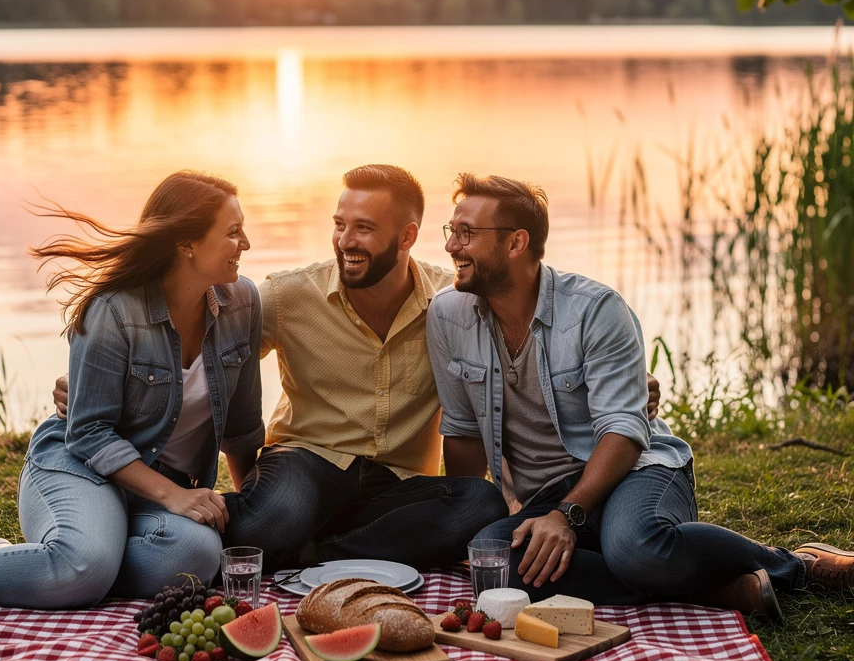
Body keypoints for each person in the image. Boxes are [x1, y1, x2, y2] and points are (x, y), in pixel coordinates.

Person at [50, 164, 661, 572]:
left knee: (476, 505)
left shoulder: (456, 307)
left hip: (396, 483)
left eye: (364, 228)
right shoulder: (287, 296)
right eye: (340, 225)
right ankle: (257, 536)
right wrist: (92, 382)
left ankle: (316, 554)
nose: (346, 240)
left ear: (410, 236)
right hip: (307, 463)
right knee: (281, 510)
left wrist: (629, 389)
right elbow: (208, 341)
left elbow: (536, 316)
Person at [0, 171, 264, 617]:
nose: (246, 243)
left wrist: (254, 513)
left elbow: (243, 426)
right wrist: (173, 496)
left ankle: (5, 564)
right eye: (233, 233)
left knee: (193, 559)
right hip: (78, 466)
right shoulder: (114, 310)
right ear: (186, 243)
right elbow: (89, 433)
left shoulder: (244, 303)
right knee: (85, 568)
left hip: (153, 490)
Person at [427, 172, 854, 617]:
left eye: (466, 233)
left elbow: (626, 431)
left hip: (634, 471)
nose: (451, 246)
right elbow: (462, 433)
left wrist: (566, 516)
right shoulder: (449, 316)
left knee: (635, 548)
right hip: (544, 497)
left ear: (516, 243)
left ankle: (795, 565)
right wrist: (471, 518)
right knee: (490, 560)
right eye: (451, 231)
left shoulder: (595, 311)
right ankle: (714, 590)